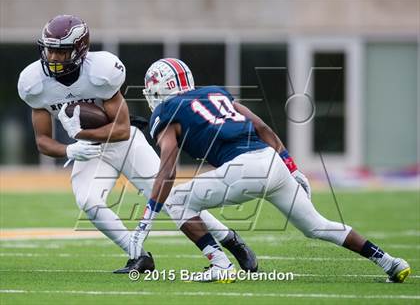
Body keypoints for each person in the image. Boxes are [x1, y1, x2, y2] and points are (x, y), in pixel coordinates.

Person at [129, 57, 411, 283]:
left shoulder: (165, 112)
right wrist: (292, 166)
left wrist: (147, 218)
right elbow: (261, 126)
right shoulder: (216, 93)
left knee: (177, 200)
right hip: (272, 163)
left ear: (159, 89)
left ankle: (220, 264)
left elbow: (167, 169)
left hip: (243, 169)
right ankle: (389, 262)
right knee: (317, 226)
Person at [17, 15, 258, 274]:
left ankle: (229, 239)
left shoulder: (101, 73)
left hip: (124, 144)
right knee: (88, 201)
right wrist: (69, 149)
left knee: (170, 199)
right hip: (88, 151)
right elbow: (42, 141)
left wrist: (85, 134)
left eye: (60, 51)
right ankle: (138, 256)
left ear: (80, 50)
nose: (52, 57)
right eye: (49, 49)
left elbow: (121, 130)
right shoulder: (34, 84)